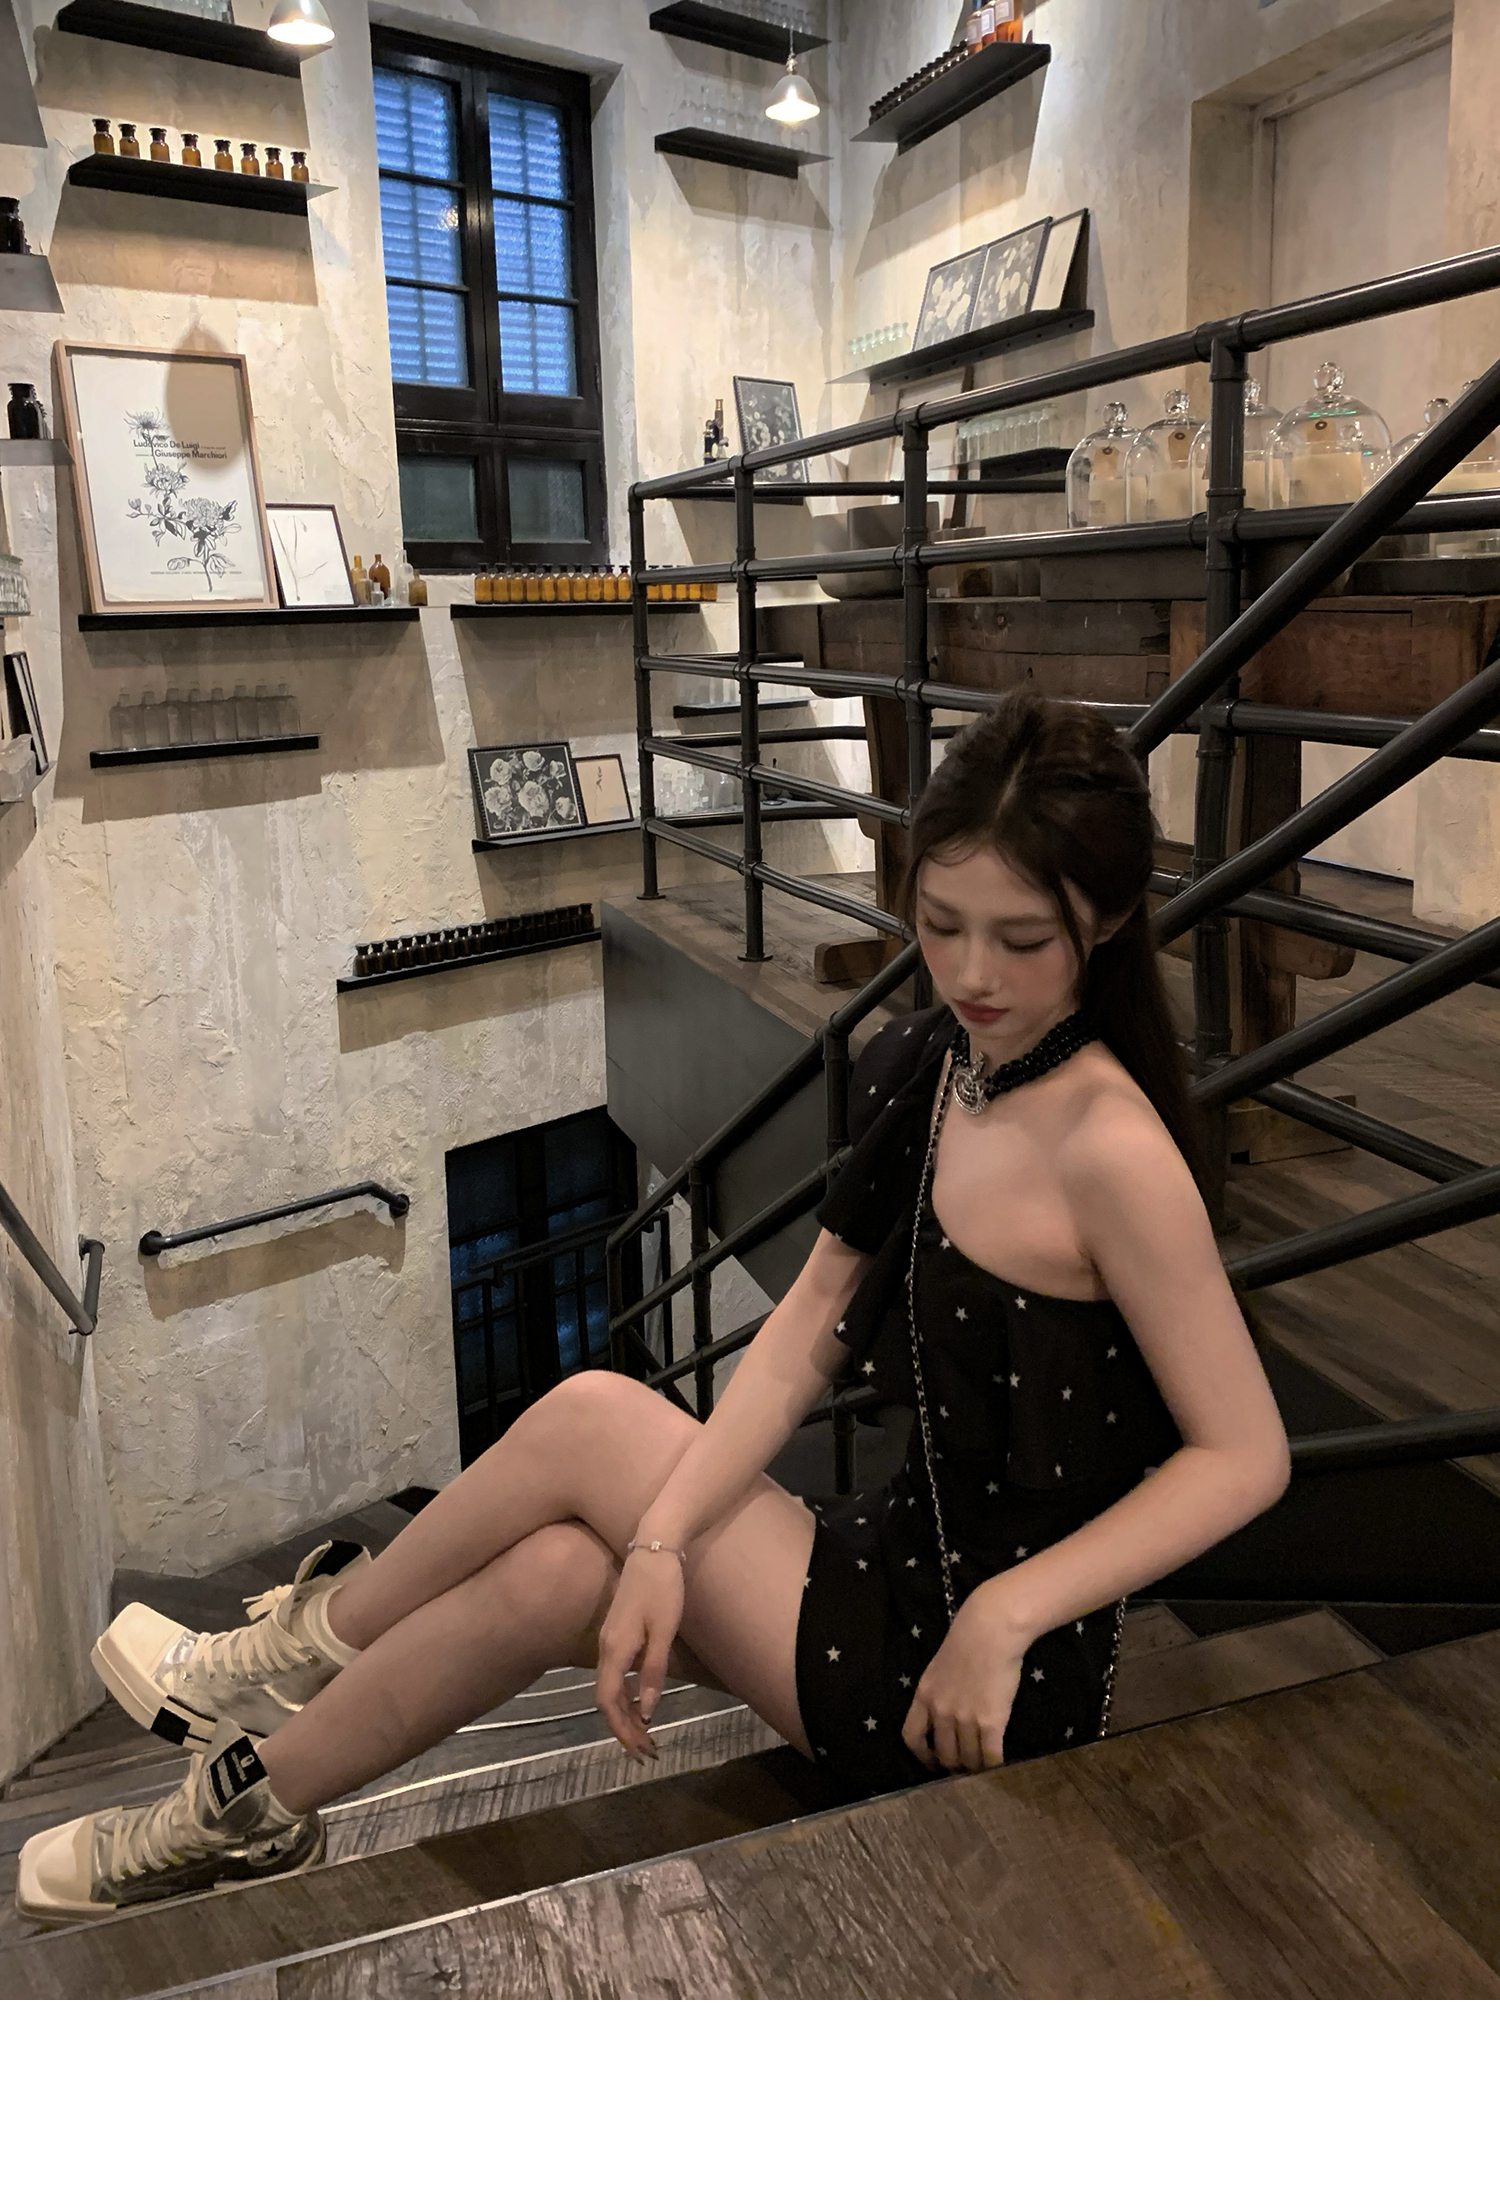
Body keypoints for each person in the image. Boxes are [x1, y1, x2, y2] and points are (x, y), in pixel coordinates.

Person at [17, 694, 1291, 1924]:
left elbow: (1245, 1456)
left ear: (1106, 923)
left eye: (1022, 941)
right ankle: (241, 1813)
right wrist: (662, 1546)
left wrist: (1005, 1617)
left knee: (592, 1416)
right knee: (560, 1569)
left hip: (978, 1680)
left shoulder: (1113, 1149)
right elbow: (804, 1331)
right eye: (941, 922)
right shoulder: (938, 1067)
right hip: (895, 1566)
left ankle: (284, 1659)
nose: (968, 971)